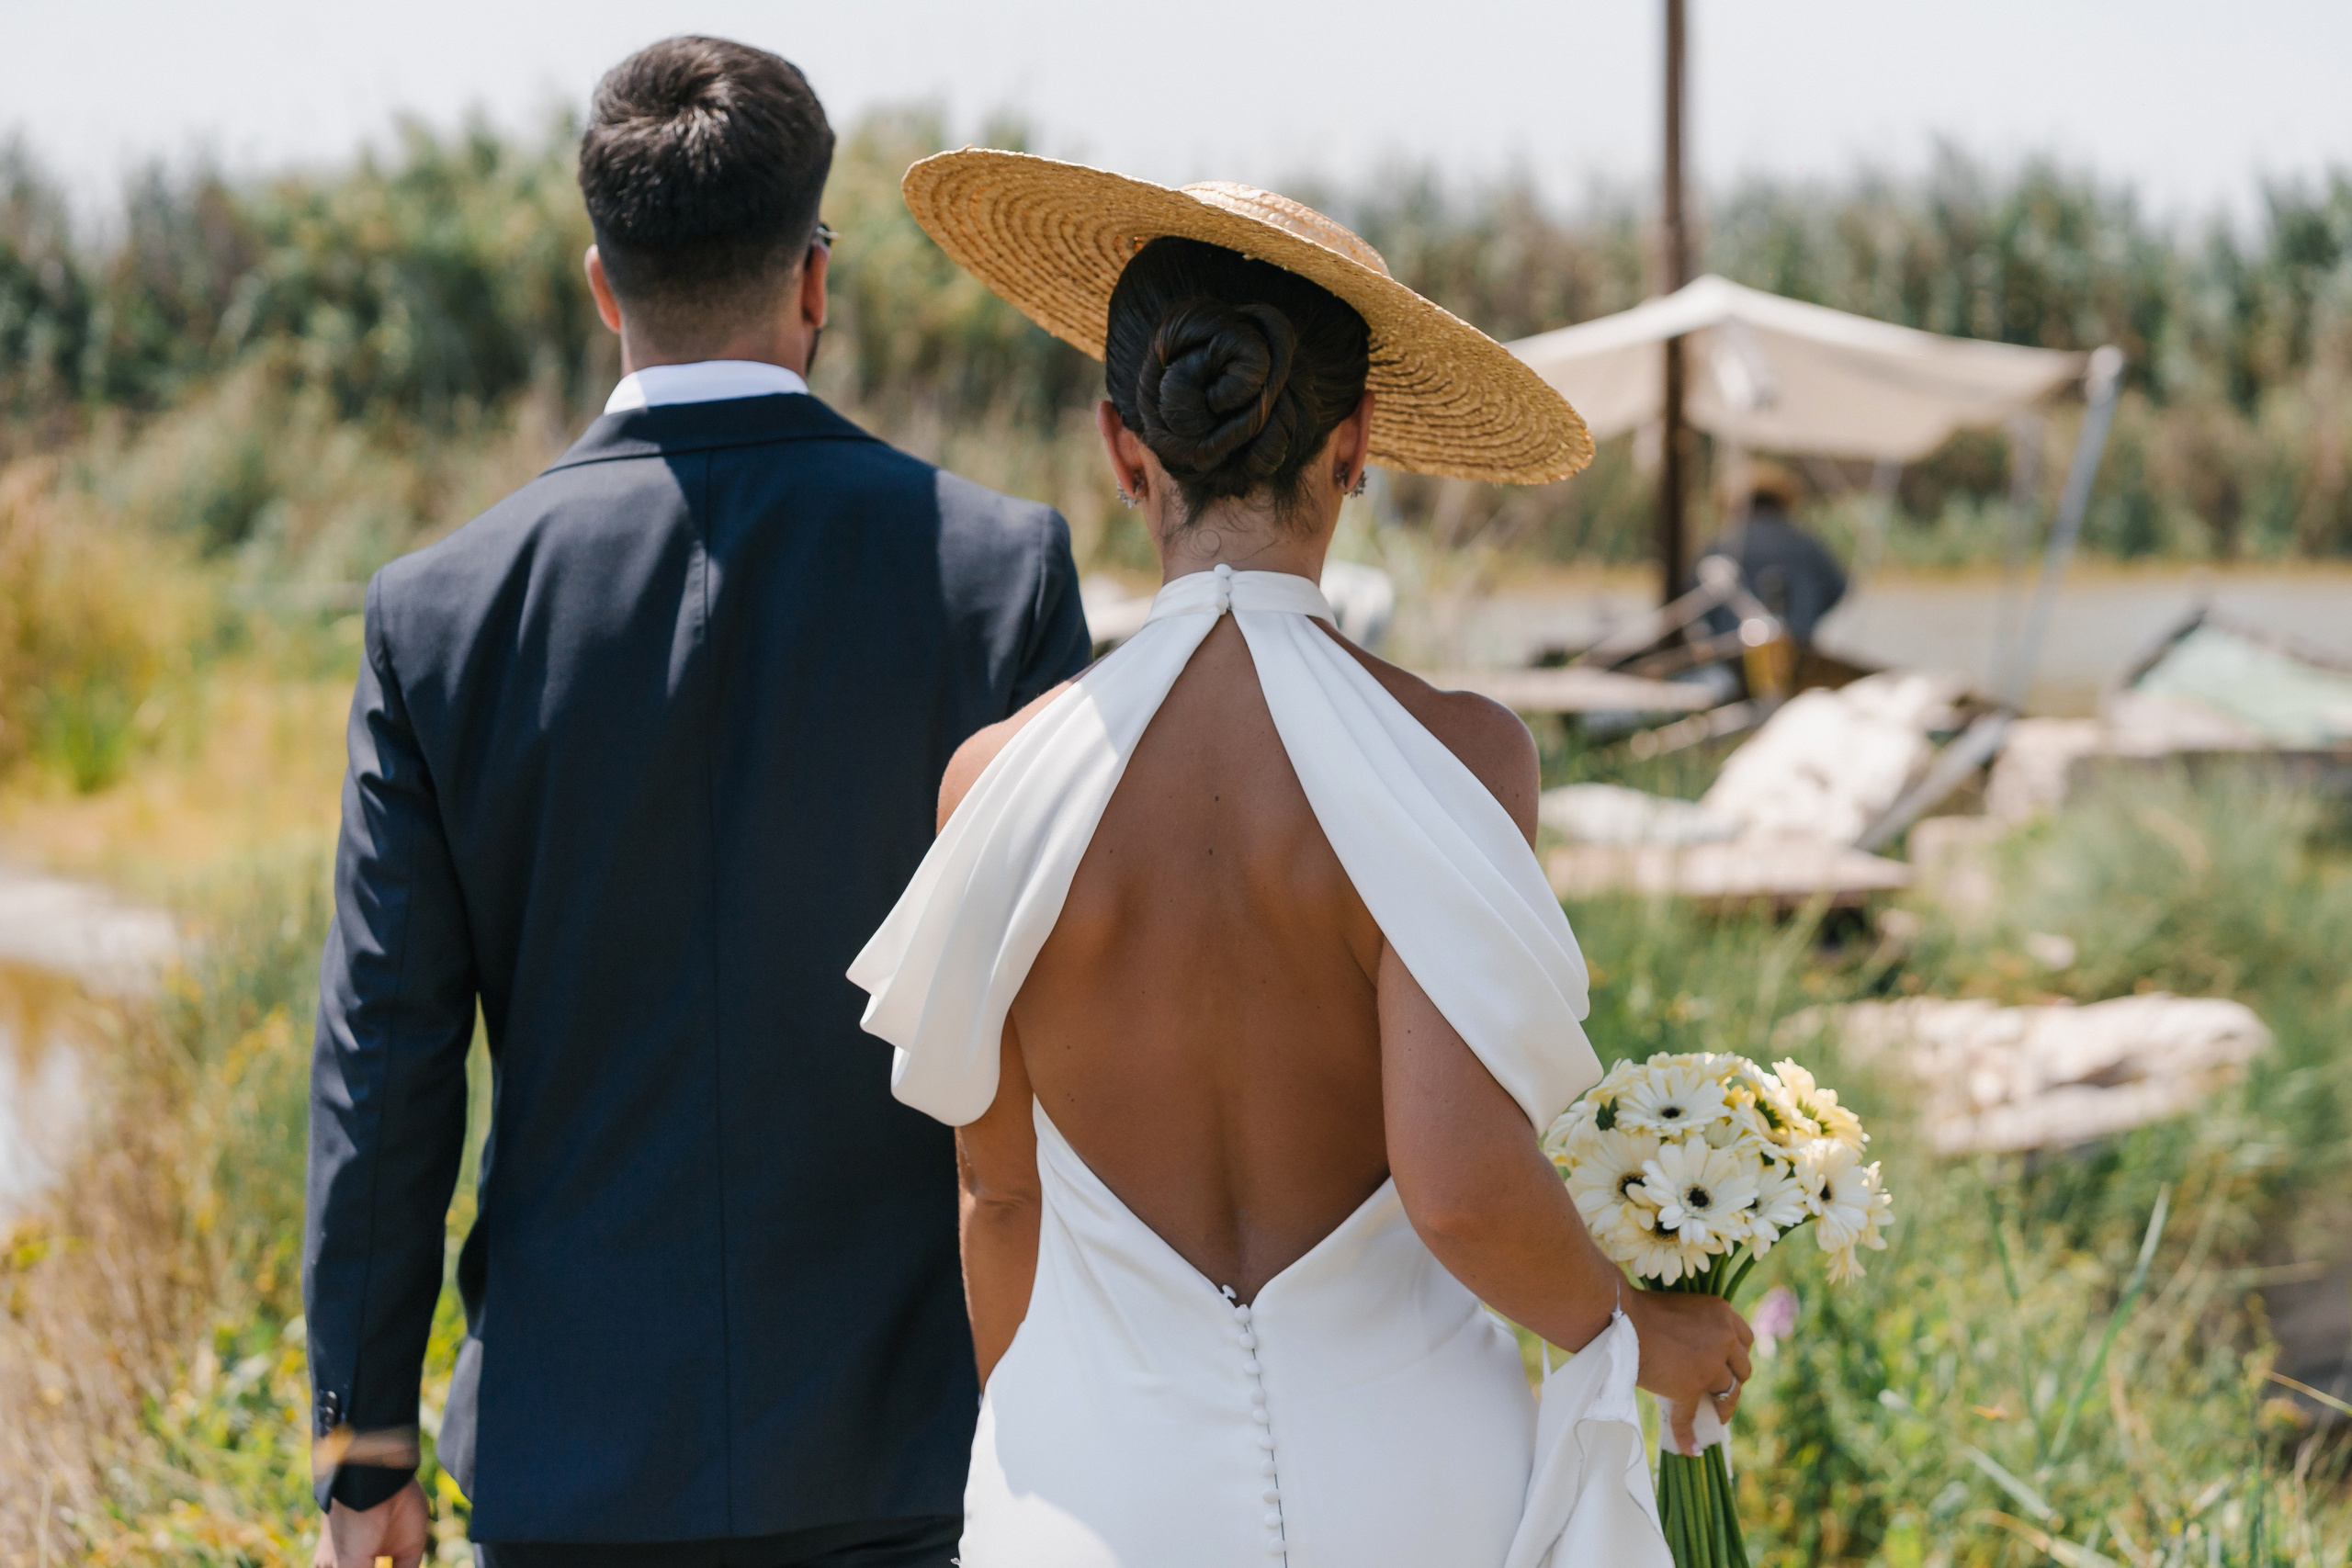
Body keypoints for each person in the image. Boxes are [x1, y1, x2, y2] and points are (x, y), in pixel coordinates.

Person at [853, 153, 1753, 1568]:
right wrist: (1653, 1331)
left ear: (1122, 450)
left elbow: (1003, 1193)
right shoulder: (1458, 754)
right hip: (1410, 1486)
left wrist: (1050, 1443)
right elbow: (1454, 1180)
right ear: (1357, 444)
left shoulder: (1000, 777)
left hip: (1092, 1486)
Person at [304, 40, 1089, 1568]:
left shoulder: (439, 612)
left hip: (570, 1456)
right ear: (816, 276)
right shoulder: (998, 577)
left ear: (602, 285)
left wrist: (364, 1436)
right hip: (921, 1441)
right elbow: (1075, 1024)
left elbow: (384, 1065)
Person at [1695, 461, 1848, 647]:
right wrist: (1807, 615)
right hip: (1796, 645)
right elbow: (1837, 587)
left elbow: (1697, 599)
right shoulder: (1807, 543)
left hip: (1734, 648)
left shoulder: (1723, 544)